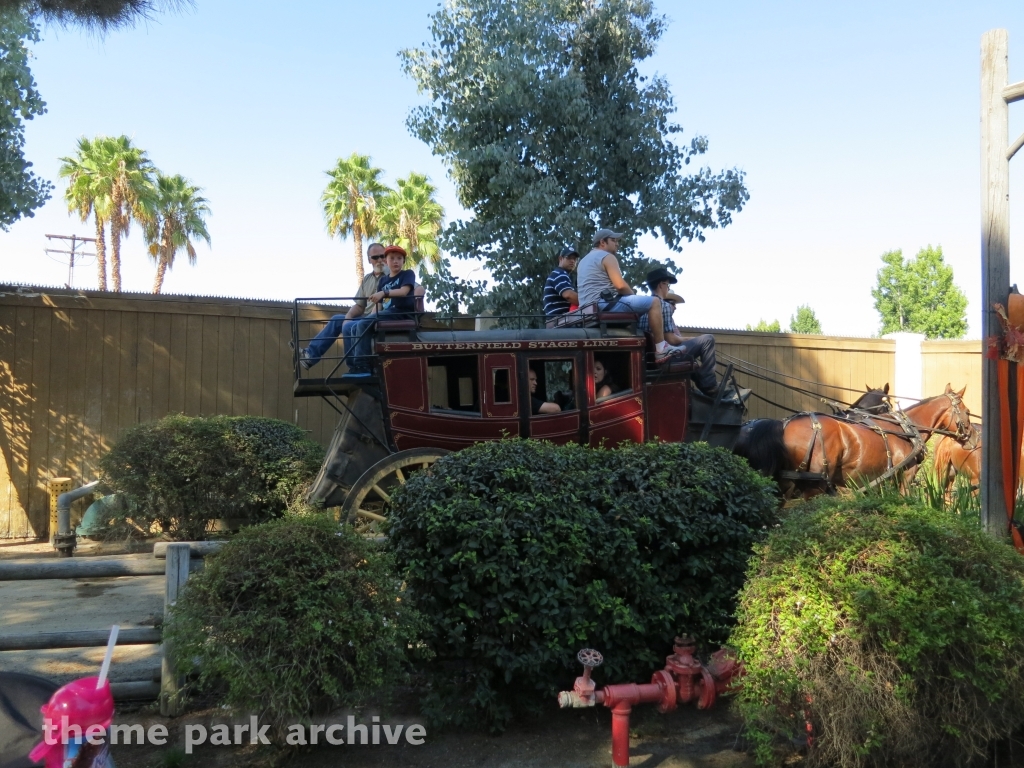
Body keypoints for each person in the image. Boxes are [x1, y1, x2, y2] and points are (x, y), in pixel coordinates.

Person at [302, 245, 416, 377]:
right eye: (375, 257)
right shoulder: (369, 279)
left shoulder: (401, 273)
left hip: (391, 314)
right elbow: (361, 305)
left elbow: (412, 289)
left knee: (357, 325)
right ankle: (311, 355)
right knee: (339, 320)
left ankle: (360, 365)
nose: (379, 260)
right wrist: (348, 316)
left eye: (381, 256)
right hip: (373, 314)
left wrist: (383, 295)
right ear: (370, 260)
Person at [640, 266, 745, 403]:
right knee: (708, 339)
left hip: (649, 359)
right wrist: (694, 340)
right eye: (667, 284)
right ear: (661, 284)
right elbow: (671, 339)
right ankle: (710, 385)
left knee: (696, 352)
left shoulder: (642, 307)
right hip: (664, 360)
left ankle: (707, 387)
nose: (667, 288)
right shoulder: (662, 305)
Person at [575, 228, 678, 365]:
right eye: (613, 240)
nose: (617, 244)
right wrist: (633, 295)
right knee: (653, 302)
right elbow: (620, 286)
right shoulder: (607, 257)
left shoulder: (582, 261)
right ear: (602, 242)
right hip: (604, 306)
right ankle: (661, 349)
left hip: (588, 310)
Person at [543, 247, 579, 316]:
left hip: (560, 321)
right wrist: (588, 300)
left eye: (574, 259)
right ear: (560, 259)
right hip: (559, 321)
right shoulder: (559, 274)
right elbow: (568, 295)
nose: (572, 261)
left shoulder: (560, 274)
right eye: (569, 258)